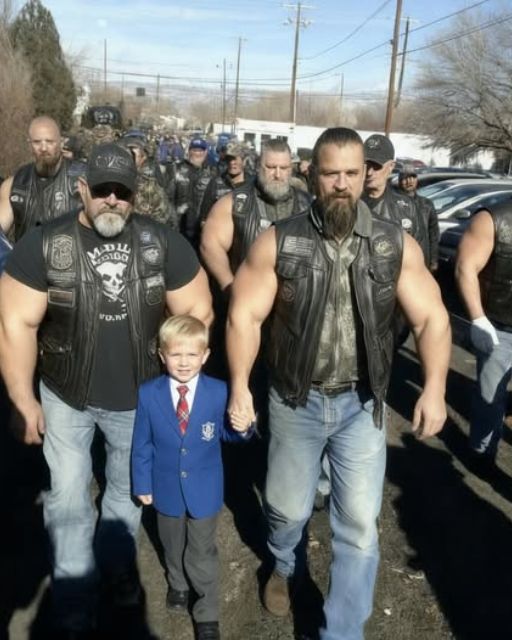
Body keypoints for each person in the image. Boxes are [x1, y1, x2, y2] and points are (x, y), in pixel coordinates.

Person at [226, 127, 450, 639]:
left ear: (366, 173)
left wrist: (435, 386)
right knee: (286, 511)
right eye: (332, 174)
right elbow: (244, 317)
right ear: (313, 175)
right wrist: (239, 386)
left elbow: (433, 319)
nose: (343, 184)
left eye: (353, 173)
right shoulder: (280, 241)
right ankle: (285, 563)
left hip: (362, 405)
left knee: (360, 529)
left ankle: (342, 632)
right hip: (295, 400)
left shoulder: (394, 245)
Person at [0, 142, 212, 638]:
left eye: (122, 191)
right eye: (101, 190)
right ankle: (74, 595)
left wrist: (178, 387)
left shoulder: (163, 245)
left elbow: (197, 313)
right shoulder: (44, 244)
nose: (112, 199)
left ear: (135, 193)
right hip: (65, 394)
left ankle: (117, 568)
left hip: (140, 398)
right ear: (82, 189)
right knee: (68, 498)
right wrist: (22, 399)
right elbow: (14, 323)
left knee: (127, 491)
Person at [131, 315, 251, 640]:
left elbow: (228, 433)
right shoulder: (149, 394)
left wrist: (243, 428)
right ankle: (178, 582)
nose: (184, 362)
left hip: (205, 489)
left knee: (201, 551)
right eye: (175, 354)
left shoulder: (218, 392)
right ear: (162, 355)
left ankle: (207, 611)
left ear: (205, 355)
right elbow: (142, 443)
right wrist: (142, 483)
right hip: (165, 487)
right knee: (172, 544)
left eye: (192, 354)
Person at [200, 139, 311, 294]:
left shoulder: (307, 205)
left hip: (293, 299)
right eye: (270, 167)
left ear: (291, 169)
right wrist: (229, 285)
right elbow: (211, 245)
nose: (277, 174)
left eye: (284, 168)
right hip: (246, 296)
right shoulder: (235, 203)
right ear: (259, 165)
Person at [455, 202, 512, 473]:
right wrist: (478, 318)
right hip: (500, 327)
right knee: (490, 397)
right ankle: (482, 453)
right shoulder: (493, 219)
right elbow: (465, 267)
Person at [0, 116, 84, 241]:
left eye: (50, 142)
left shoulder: (83, 180)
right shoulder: (15, 185)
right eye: (37, 142)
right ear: (29, 144)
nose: (43, 148)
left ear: (61, 142)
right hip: (27, 252)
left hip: (71, 251)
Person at [362, 134, 429, 261]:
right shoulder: (349, 203)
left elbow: (421, 258)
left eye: (376, 166)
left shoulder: (407, 209)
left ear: (391, 167)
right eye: (366, 165)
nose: (369, 172)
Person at [168, 137, 216, 247]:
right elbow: (168, 197)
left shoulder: (212, 173)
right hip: (179, 227)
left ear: (206, 152)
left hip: (201, 229)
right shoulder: (176, 169)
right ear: (189, 151)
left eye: (200, 150)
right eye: (194, 150)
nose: (197, 153)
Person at [120, 137, 177, 227]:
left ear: (143, 158)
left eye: (132, 155)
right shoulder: (111, 181)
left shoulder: (150, 186)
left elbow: (164, 219)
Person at [397, 164, 440, 272]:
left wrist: (433, 260)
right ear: (399, 181)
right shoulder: (393, 203)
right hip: (401, 259)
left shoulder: (427, 204)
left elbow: (433, 234)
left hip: (423, 258)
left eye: (412, 177)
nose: (409, 181)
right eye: (405, 178)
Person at [199, 141, 251, 225]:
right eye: (229, 159)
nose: (231, 162)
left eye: (234, 158)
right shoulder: (216, 183)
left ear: (244, 160)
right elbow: (204, 217)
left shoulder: (252, 184)